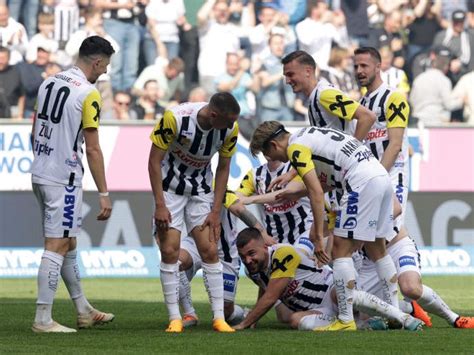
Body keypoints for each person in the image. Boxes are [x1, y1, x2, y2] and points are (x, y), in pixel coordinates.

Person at [353, 46, 474, 329]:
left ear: (378, 66)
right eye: (356, 66)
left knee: (388, 221)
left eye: (364, 66)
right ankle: (406, 307)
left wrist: (375, 178)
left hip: (388, 180)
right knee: (359, 285)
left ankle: (447, 317)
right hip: (369, 186)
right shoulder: (359, 106)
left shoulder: (393, 99)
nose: (359, 71)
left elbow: (395, 145)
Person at [249, 121, 399, 331]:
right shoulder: (308, 134)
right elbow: (326, 176)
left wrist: (318, 236)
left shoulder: (295, 148)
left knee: (339, 250)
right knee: (378, 250)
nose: (274, 160)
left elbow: (316, 192)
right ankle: (396, 313)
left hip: (359, 182)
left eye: (270, 155)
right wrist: (291, 175)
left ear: (273, 145)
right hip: (380, 176)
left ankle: (346, 320)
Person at [30, 35, 115, 333]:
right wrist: (104, 193)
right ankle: (43, 319)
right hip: (62, 178)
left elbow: (35, 127)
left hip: (40, 170)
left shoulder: (49, 82)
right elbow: (92, 148)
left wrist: (44, 158)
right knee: (57, 244)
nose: (105, 71)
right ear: (97, 61)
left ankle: (83, 309)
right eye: (106, 65)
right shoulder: (88, 93)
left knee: (68, 241)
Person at [148, 91, 240, 333]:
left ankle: (219, 318)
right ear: (213, 115)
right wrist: (160, 204)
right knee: (169, 251)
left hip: (201, 191)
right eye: (228, 121)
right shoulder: (174, 119)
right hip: (171, 190)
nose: (232, 126)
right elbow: (153, 161)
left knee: (209, 249)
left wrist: (216, 210)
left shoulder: (230, 129)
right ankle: (175, 318)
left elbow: (223, 168)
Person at [232, 228, 423, 331]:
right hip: (317, 309)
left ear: (265, 247)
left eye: (251, 253)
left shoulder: (283, 254)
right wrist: (253, 320)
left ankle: (404, 317)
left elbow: (271, 296)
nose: (248, 261)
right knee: (295, 321)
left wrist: (244, 323)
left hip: (332, 288)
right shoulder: (253, 269)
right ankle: (365, 325)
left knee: (341, 296)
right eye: (243, 257)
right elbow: (265, 288)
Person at [178, 189, 271, 327]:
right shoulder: (185, 187)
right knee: (176, 261)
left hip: (224, 252)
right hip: (195, 243)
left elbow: (239, 210)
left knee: (227, 312)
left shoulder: (217, 188)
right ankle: (189, 314)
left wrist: (262, 232)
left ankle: (243, 314)